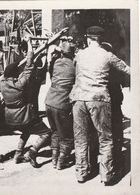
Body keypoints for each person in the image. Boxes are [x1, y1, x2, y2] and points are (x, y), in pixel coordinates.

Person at [69, 26, 130, 185]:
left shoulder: (80, 54)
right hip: (99, 99)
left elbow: (74, 66)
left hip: (79, 99)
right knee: (105, 138)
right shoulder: (108, 55)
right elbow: (127, 70)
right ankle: (106, 176)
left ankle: (81, 173)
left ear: (88, 38)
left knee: (81, 138)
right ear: (100, 40)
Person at [0, 37, 51, 168]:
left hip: (11, 119)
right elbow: (29, 66)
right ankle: (32, 152)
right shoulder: (20, 84)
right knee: (46, 133)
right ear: (16, 74)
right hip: (24, 116)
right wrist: (29, 45)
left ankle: (18, 154)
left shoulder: (1, 85)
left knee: (26, 130)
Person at [45, 42, 76, 170]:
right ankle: (61, 161)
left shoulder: (56, 62)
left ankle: (54, 159)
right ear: (73, 53)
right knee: (67, 135)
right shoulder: (74, 65)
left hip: (49, 101)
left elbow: (51, 71)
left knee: (55, 132)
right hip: (62, 103)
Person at [101, 42, 125, 174]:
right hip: (114, 103)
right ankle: (116, 160)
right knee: (116, 132)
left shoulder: (97, 67)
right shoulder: (115, 67)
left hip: (103, 103)